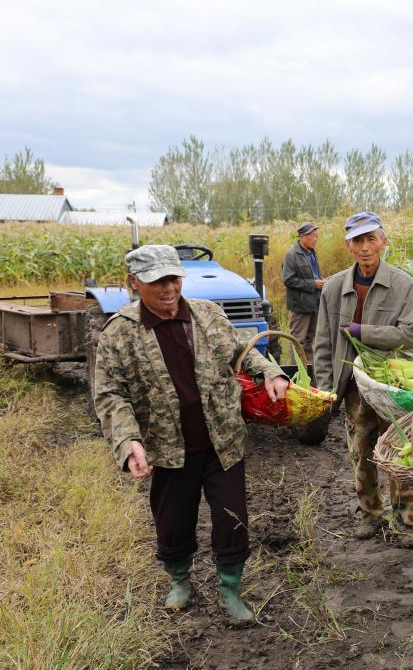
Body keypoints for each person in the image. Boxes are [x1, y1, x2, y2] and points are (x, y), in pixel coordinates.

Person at [94, 244, 289, 625]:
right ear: (134, 283)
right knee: (173, 520)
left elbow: (242, 353)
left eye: (173, 278)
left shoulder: (208, 314)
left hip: (222, 441)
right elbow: (110, 394)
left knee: (232, 518)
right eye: (157, 282)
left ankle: (230, 589)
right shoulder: (119, 332)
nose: (169, 288)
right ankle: (180, 581)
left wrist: (270, 371)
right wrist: (128, 441)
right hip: (168, 449)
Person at [312, 212, 413, 541]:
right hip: (353, 387)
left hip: (393, 386)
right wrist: (324, 389)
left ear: (383, 242)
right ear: (349, 245)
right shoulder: (334, 287)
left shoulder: (403, 284)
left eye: (371, 239)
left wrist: (364, 333)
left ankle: (406, 519)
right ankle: (370, 514)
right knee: (360, 451)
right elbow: (322, 342)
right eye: (358, 240)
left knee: (399, 452)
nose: (365, 247)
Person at [283, 222, 324, 363]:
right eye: (312, 235)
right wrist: (313, 283)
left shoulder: (312, 253)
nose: (315, 239)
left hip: (314, 303)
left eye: (316, 235)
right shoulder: (292, 254)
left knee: (308, 340)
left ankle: (309, 370)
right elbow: (288, 280)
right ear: (302, 236)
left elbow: (313, 274)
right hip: (300, 305)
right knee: (298, 341)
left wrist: (321, 281)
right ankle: (296, 371)